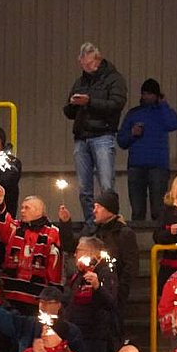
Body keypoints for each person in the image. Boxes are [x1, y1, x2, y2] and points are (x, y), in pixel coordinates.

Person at [65, 42, 128, 222]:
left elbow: (116, 104)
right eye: (83, 64)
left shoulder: (115, 79)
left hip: (103, 135)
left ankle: (109, 222)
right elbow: (69, 112)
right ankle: (90, 222)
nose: (86, 67)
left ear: (98, 59)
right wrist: (72, 105)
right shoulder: (80, 82)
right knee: (84, 187)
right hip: (81, 137)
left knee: (106, 185)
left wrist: (89, 102)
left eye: (89, 63)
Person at [114, 78, 177, 225]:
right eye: (144, 93)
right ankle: (138, 239)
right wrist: (132, 133)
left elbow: (174, 124)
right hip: (136, 166)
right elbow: (121, 141)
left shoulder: (163, 113)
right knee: (137, 209)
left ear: (157, 95)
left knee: (159, 209)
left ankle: (160, 240)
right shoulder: (133, 114)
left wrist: (163, 104)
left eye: (150, 94)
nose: (146, 97)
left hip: (158, 167)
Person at [0, 191, 63, 313]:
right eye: (22, 208)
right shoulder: (15, 227)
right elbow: (1, 222)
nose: (22, 211)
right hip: (10, 294)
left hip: (36, 297)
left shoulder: (52, 232)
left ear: (38, 211)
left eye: (26, 208)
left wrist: (52, 294)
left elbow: (55, 266)